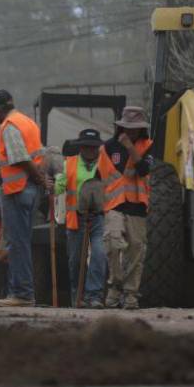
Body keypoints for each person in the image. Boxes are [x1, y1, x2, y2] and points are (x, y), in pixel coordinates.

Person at [0, 88, 50, 307]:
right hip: (29, 189)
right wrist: (40, 180)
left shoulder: (9, 126)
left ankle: (21, 294)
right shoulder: (27, 122)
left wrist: (41, 179)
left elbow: (20, 158)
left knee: (18, 243)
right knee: (22, 242)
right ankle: (24, 292)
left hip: (17, 190)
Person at [102, 106, 154, 310]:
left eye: (135, 128)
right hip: (114, 205)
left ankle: (130, 294)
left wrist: (131, 147)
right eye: (127, 127)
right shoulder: (108, 147)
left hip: (137, 206)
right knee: (113, 243)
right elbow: (101, 176)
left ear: (141, 129)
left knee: (136, 250)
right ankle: (115, 285)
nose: (131, 131)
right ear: (121, 127)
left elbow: (144, 170)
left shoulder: (148, 146)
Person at [55, 128, 111, 308]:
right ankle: (77, 297)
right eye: (86, 146)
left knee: (99, 254)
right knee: (75, 262)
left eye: (93, 147)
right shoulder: (69, 163)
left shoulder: (105, 163)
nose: (89, 150)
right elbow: (59, 187)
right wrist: (54, 184)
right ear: (80, 147)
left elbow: (114, 185)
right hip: (75, 220)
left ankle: (93, 296)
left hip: (99, 219)